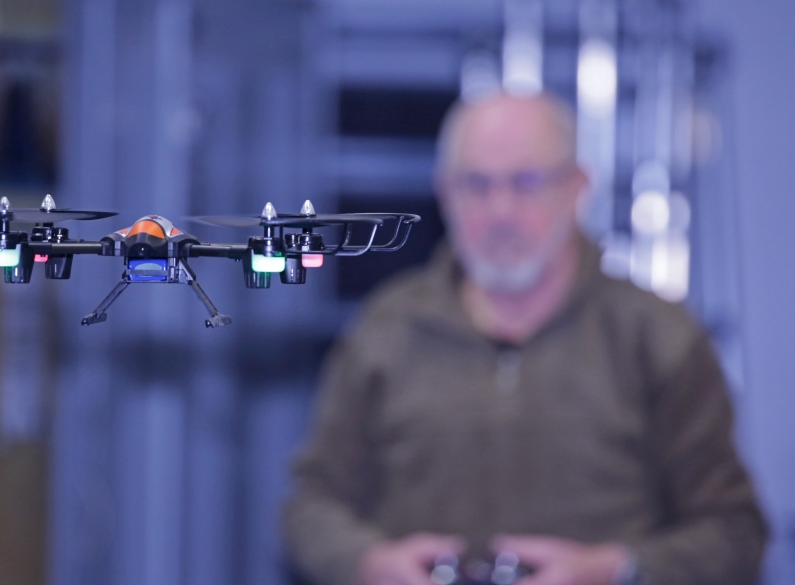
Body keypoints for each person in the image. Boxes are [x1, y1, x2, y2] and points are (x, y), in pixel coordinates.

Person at [282, 92, 766, 585]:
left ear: (578, 187)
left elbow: (734, 533)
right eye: (476, 184)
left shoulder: (656, 337)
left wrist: (616, 570)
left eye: (527, 183)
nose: (501, 210)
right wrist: (366, 563)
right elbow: (311, 506)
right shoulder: (388, 329)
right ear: (444, 192)